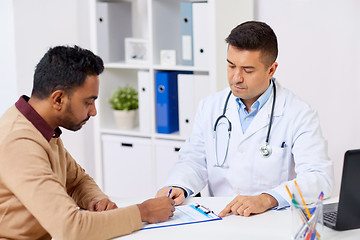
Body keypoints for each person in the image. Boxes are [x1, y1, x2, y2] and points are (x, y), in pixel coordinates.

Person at [156, 21, 334, 217]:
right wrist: (177, 185)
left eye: (247, 70)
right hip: (220, 218)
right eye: (231, 66)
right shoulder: (210, 106)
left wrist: (268, 198)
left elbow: (319, 177)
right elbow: (194, 160)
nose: (236, 78)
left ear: (271, 70)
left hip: (272, 219)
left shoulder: (299, 113)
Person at [0, 45, 175, 240]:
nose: (93, 111)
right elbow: (71, 228)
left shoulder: (42, 129)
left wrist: (96, 199)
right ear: (58, 99)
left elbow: (77, 181)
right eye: (88, 102)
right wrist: (143, 212)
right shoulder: (19, 142)